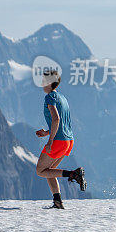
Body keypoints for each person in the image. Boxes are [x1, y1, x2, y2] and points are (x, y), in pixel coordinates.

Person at [35, 69, 86, 208]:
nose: (41, 83)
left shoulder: (50, 97)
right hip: (68, 141)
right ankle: (57, 201)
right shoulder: (63, 98)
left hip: (58, 141)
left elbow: (56, 119)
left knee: (40, 171)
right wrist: (46, 132)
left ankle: (73, 174)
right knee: (49, 171)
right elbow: (62, 122)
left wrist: (50, 140)